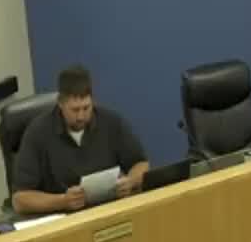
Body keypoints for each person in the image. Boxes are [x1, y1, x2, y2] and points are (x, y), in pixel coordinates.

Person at [11, 65, 150, 214]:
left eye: (86, 108)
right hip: (64, 217)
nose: (81, 116)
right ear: (60, 103)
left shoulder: (112, 122)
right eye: (75, 110)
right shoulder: (37, 133)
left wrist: (130, 182)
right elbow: (20, 200)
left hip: (108, 211)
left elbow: (141, 164)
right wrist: (62, 201)